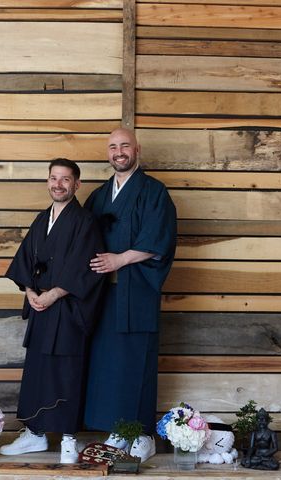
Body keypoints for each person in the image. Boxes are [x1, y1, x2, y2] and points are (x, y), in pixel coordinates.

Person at [0, 158, 105, 463]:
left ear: (77, 184)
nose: (58, 184)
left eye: (65, 179)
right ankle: (35, 434)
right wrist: (32, 293)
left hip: (68, 310)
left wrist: (54, 294)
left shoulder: (84, 221)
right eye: (54, 178)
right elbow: (25, 263)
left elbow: (86, 266)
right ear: (48, 181)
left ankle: (69, 439)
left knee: (67, 373)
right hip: (41, 309)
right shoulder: (40, 219)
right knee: (37, 373)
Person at [84, 128, 177, 462]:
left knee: (137, 362)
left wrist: (120, 259)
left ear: (137, 150)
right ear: (107, 153)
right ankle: (117, 430)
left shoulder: (154, 192)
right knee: (108, 363)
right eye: (113, 147)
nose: (119, 151)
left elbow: (160, 241)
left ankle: (143, 435)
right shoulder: (98, 195)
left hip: (136, 291)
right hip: (103, 296)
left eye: (124, 145)